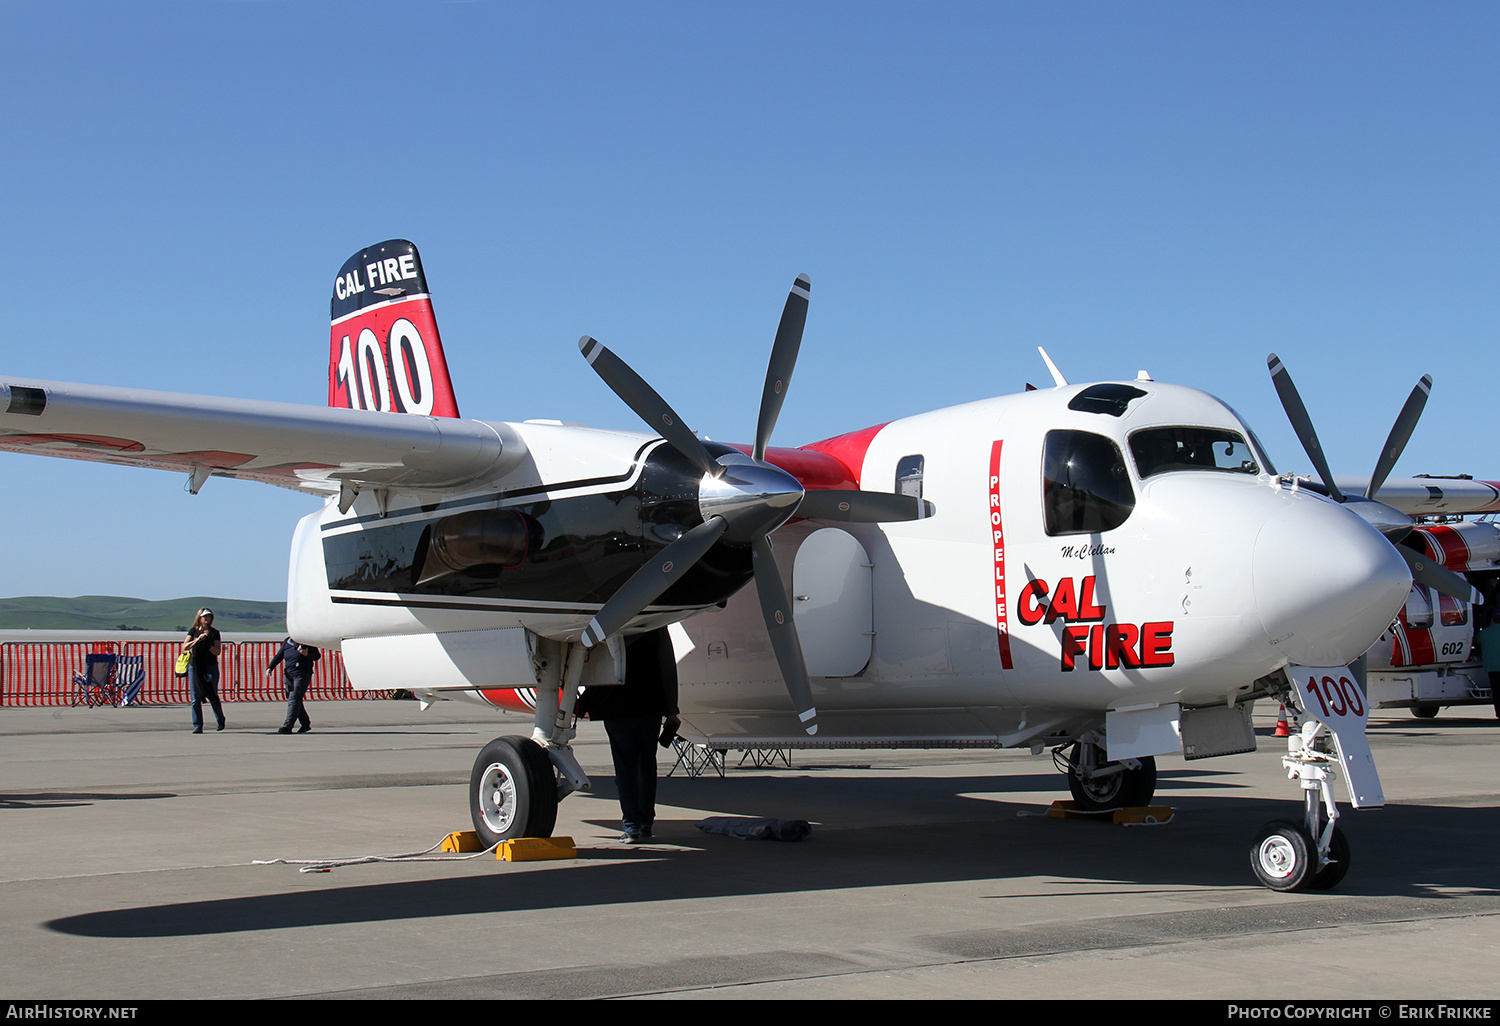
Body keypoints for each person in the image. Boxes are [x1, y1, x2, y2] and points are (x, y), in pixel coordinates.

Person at [576, 629, 680, 843]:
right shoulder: (656, 627)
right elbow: (667, 667)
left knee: (625, 768)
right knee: (646, 766)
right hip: (648, 707)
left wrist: (579, 705)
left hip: (617, 707)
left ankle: (631, 825)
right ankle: (645, 823)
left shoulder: (610, 626)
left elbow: (596, 666)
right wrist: (671, 708)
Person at [182, 608, 224, 734]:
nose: (207, 619)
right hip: (195, 667)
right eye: (204, 617)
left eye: (209, 617)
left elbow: (217, 651)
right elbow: (185, 646)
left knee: (212, 694)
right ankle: (197, 725)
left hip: (210, 666)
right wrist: (197, 640)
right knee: (195, 697)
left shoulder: (214, 633)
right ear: (199, 618)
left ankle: (220, 719)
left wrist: (207, 644)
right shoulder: (193, 631)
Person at [266, 637, 321, 734]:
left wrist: (307, 654)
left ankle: (288, 726)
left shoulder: (307, 641)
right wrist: (270, 667)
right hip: (289, 673)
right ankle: (305, 723)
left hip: (302, 673)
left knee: (294, 698)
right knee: (294, 699)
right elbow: (279, 655)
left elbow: (316, 656)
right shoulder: (287, 641)